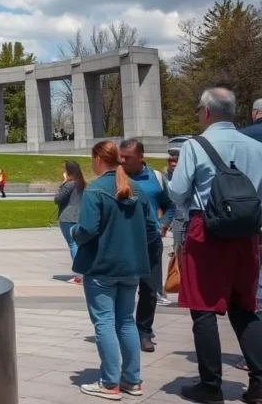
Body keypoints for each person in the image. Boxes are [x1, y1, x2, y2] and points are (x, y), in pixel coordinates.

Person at [168, 87, 262, 403]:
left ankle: (210, 386)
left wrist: (184, 213)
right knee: (245, 307)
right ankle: (259, 383)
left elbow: (178, 190)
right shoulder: (255, 146)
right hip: (247, 234)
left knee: (204, 309)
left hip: (206, 232)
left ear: (207, 112)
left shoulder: (196, 146)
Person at [71, 141, 158, 399]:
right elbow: (152, 230)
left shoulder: (95, 190)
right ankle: (132, 379)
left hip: (101, 267)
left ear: (99, 159)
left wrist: (74, 232)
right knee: (126, 321)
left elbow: (86, 230)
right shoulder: (137, 189)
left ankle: (110, 382)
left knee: (105, 323)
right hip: (131, 268)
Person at [119, 138, 176, 353]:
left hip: (151, 243)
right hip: (123, 244)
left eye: (128, 158)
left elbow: (170, 205)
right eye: (120, 157)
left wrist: (164, 224)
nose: (122, 161)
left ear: (141, 157)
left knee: (149, 291)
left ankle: (144, 331)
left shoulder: (156, 178)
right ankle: (122, 330)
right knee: (122, 289)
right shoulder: (116, 177)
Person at [54, 160, 86, 285]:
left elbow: (57, 199)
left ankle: (79, 275)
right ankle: (83, 272)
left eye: (64, 169)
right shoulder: (82, 183)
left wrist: (63, 182)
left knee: (73, 244)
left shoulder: (69, 184)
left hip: (68, 217)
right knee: (78, 245)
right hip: (79, 216)